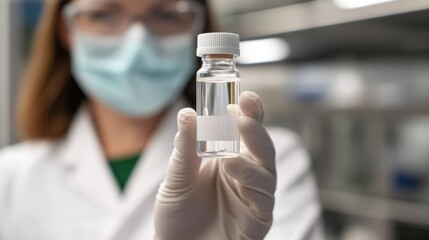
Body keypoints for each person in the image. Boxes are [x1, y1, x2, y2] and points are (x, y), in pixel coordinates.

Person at [0, 0, 323, 239]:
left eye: (167, 14)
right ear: (65, 30)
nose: (136, 41)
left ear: (199, 28)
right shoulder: (11, 177)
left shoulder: (259, 164)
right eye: (103, 14)